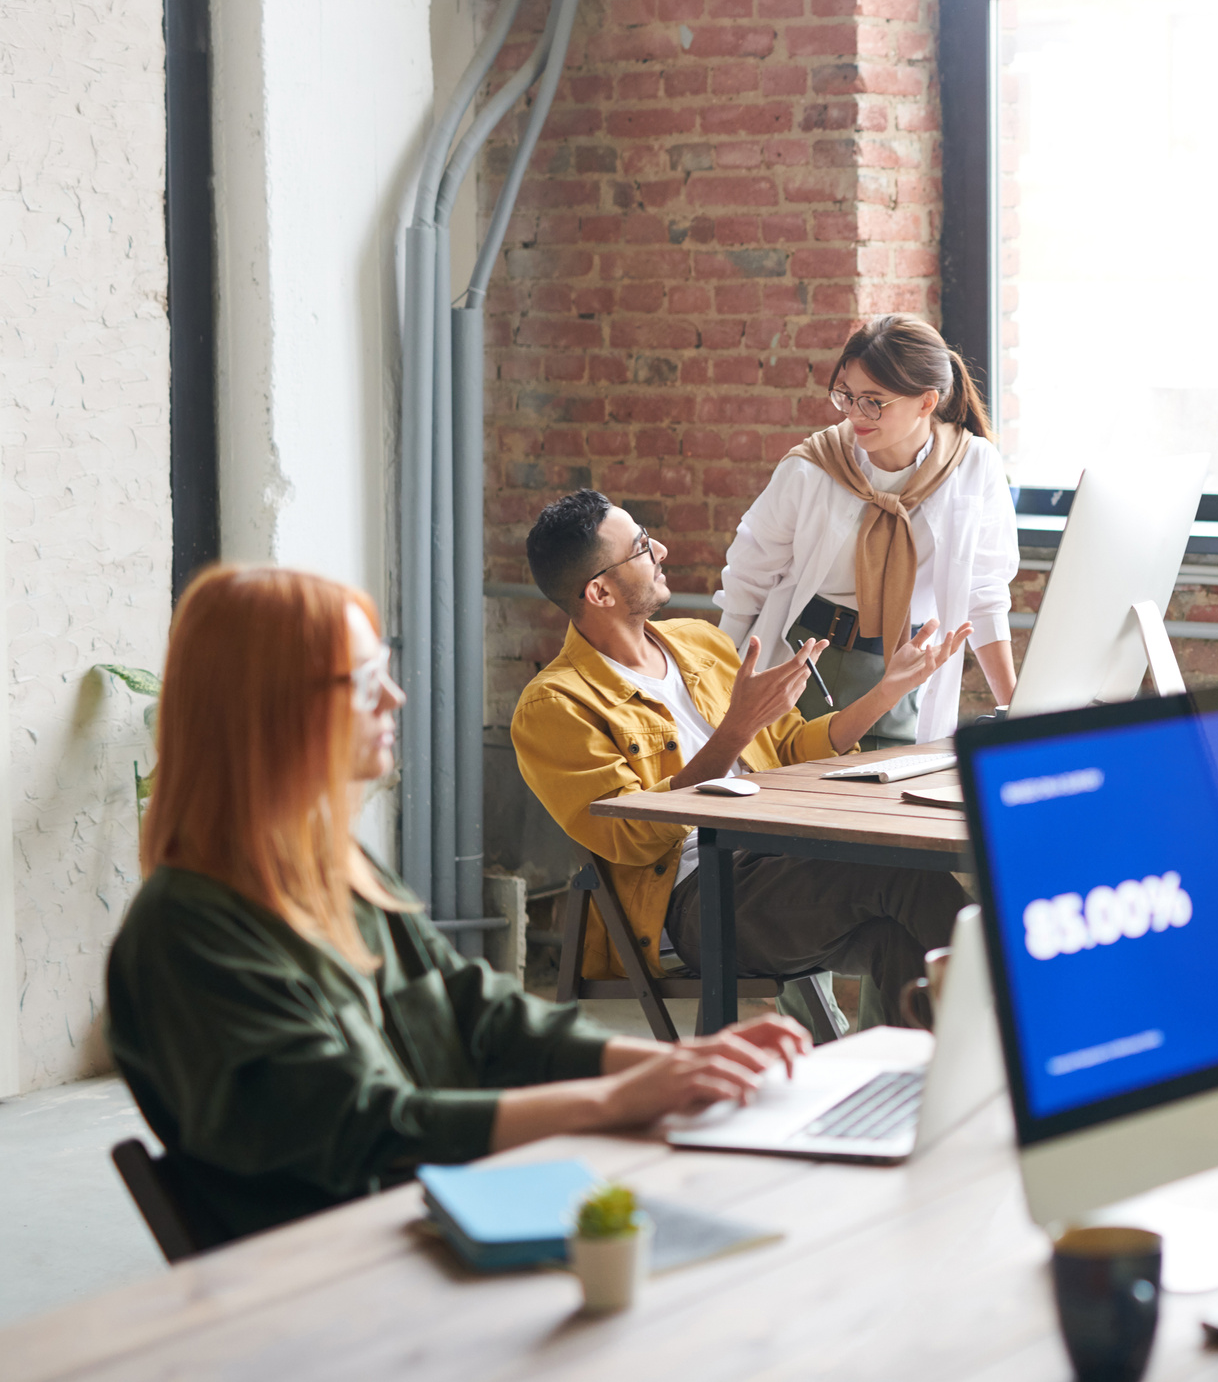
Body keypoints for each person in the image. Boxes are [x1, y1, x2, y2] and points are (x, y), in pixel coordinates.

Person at [105, 565, 812, 1247]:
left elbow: (481, 1016)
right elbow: (366, 1127)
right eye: (361, 680)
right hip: (346, 1270)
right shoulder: (188, 932)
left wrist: (675, 1064)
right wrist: (616, 1099)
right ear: (271, 707)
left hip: (444, 1213)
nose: (394, 697)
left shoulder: (339, 869)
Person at [512, 489, 973, 1032]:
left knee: (899, 933)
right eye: (639, 546)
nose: (659, 548)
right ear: (599, 591)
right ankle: (1036, 1020)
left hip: (779, 856)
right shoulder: (555, 705)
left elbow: (793, 748)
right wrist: (735, 730)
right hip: (697, 899)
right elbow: (631, 834)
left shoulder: (699, 643)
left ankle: (919, 1092)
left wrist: (886, 692)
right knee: (901, 875)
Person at [715, 315, 1020, 749]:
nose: (857, 414)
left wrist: (1018, 713)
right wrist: (716, 694)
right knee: (793, 802)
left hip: (903, 672)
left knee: (889, 808)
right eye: (847, 396)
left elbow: (985, 593)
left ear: (926, 401)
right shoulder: (813, 466)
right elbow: (747, 580)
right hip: (802, 662)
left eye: (874, 401)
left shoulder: (974, 466)